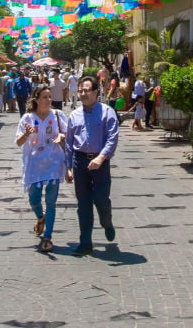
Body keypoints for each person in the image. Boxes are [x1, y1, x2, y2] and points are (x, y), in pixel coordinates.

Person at [64, 76, 120, 255]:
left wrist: (101, 158)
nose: (83, 94)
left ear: (96, 92)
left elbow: (112, 138)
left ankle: (106, 221)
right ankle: (85, 242)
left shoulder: (107, 112)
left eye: (86, 90)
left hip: (100, 163)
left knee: (101, 199)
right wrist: (68, 167)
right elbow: (69, 142)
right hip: (80, 162)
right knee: (84, 204)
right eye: (80, 90)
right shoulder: (74, 115)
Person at [15, 86, 67, 253]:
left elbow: (67, 136)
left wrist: (62, 137)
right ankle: (40, 217)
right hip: (34, 165)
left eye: (50, 97)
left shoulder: (58, 115)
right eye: (45, 97)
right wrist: (26, 134)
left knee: (51, 202)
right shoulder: (27, 118)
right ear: (37, 99)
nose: (49, 100)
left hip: (54, 163)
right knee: (34, 199)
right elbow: (18, 142)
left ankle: (48, 237)